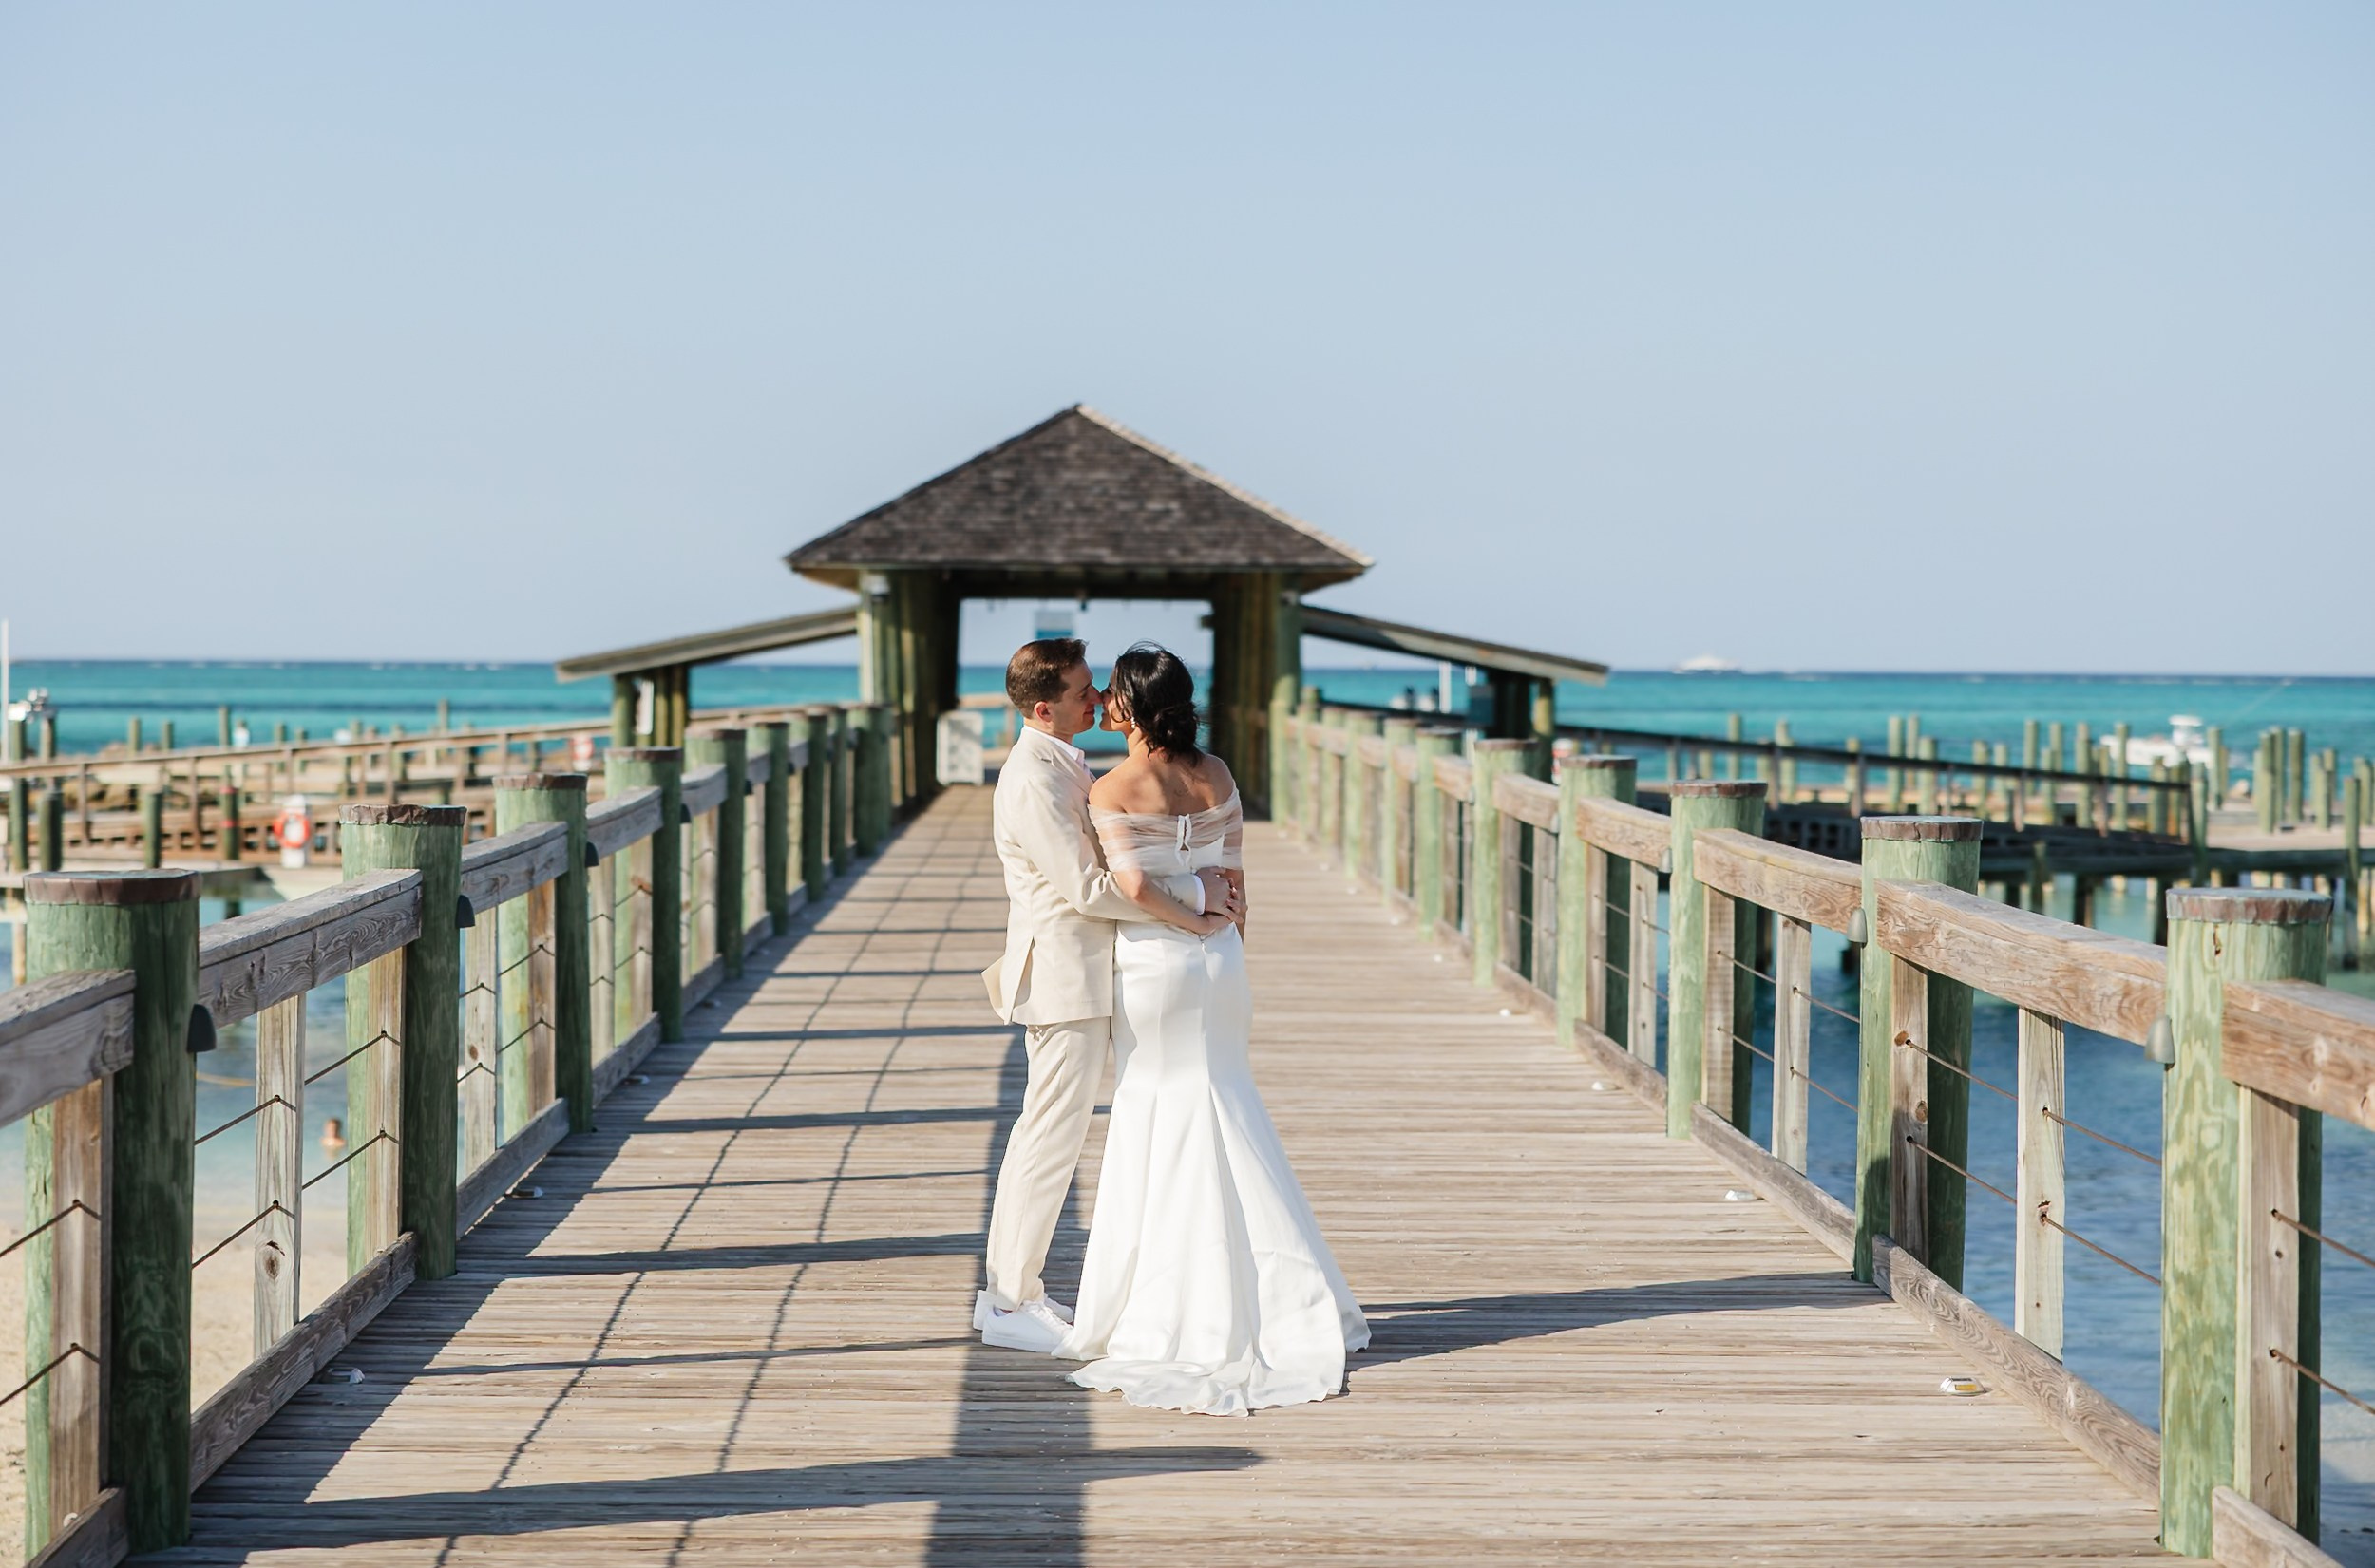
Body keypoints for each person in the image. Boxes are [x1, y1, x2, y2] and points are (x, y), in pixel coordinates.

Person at [1055, 642, 1368, 1416]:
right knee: (1227, 1104)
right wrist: (1223, 937)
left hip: (1162, 964)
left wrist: (1187, 920)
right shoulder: (1217, 773)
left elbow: (1130, 884)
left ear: (1127, 707)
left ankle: (1171, 1304)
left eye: (1110, 696)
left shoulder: (1112, 786)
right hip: (1224, 965)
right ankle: (1278, 1292)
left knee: (1157, 1110)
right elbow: (1235, 878)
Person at [977, 638, 1243, 1351]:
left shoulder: (1065, 762)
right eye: (1082, 692)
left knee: (1055, 1137)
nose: (1096, 701)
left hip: (1099, 973)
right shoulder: (1033, 777)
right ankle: (1007, 1299)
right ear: (1044, 707)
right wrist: (1194, 899)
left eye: (1096, 688)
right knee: (1048, 1138)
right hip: (1065, 980)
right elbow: (1089, 887)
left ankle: (1017, 1290)